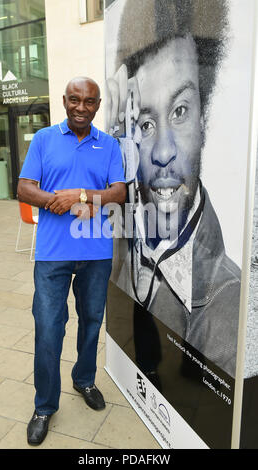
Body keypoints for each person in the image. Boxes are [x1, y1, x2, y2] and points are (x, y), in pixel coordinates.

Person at [106, 0, 241, 378]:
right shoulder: (126, 244)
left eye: (180, 111)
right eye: (146, 125)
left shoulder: (229, 319)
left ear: (205, 120)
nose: (163, 152)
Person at [17, 76, 126, 445]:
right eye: (75, 100)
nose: (82, 107)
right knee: (49, 329)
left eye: (90, 101)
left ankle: (84, 380)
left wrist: (81, 195)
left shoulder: (108, 145)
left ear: (98, 105)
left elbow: (119, 193)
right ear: (65, 101)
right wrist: (56, 201)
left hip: (96, 254)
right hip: (52, 256)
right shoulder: (45, 139)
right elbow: (24, 187)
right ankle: (45, 406)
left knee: (92, 321)